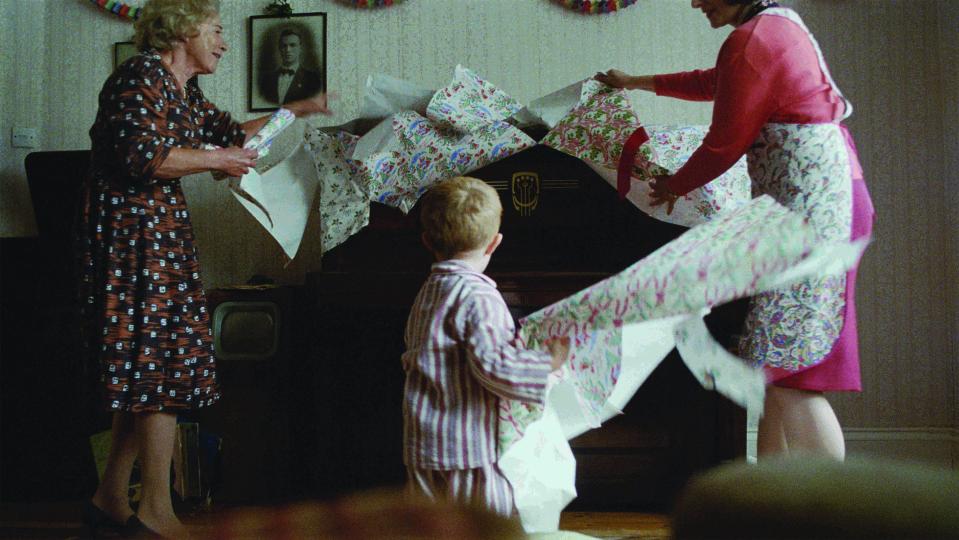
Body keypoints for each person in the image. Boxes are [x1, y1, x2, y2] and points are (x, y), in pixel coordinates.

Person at [77, 0, 332, 537]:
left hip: (158, 235)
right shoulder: (139, 75)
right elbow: (145, 156)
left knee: (149, 370)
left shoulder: (182, 88)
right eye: (216, 30)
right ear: (184, 29)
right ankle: (156, 511)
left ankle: (108, 500)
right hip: (134, 240)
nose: (222, 42)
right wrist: (218, 160)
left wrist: (294, 112)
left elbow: (231, 135)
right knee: (157, 367)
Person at [596, 0, 874, 461]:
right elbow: (716, 82)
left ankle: (835, 513)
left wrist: (672, 185)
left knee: (789, 373)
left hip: (816, 215)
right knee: (774, 366)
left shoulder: (754, 39)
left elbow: (724, 142)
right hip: (821, 206)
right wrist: (636, 83)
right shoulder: (775, 26)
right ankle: (765, 506)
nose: (695, 2)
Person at [402, 176, 570, 516]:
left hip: (422, 442)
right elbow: (494, 366)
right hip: (467, 448)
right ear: (494, 243)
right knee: (488, 524)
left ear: (426, 241)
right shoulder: (479, 297)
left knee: (429, 527)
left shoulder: (428, 290)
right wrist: (546, 363)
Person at [258, 28, 324, 105]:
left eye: (292, 45)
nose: (288, 50)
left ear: (300, 48)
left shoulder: (312, 79)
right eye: (284, 46)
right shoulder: (266, 80)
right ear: (279, 48)